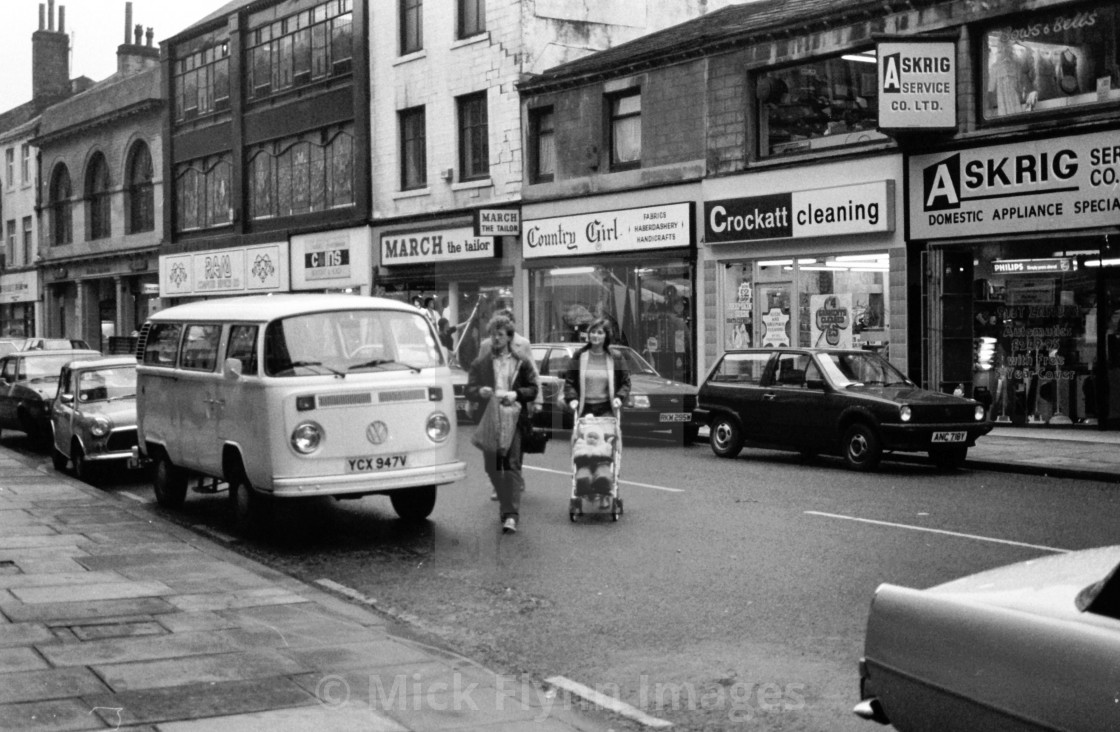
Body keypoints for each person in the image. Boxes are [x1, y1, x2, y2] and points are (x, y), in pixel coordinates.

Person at [465, 315, 539, 534]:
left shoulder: (521, 362)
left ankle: (511, 514)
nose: (496, 339)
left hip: (514, 417)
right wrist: (479, 391)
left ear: (509, 337)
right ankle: (506, 505)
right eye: (493, 335)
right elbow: (468, 389)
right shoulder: (481, 362)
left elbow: (533, 388)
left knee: (512, 464)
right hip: (489, 417)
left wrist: (516, 394)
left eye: (500, 335)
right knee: (492, 466)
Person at [564, 316, 632, 419]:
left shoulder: (616, 357)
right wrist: (572, 398)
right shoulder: (579, 355)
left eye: (600, 333)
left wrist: (619, 397)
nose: (595, 335)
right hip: (583, 410)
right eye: (593, 332)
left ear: (606, 336)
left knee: (605, 435)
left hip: (607, 410)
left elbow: (626, 383)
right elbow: (569, 381)